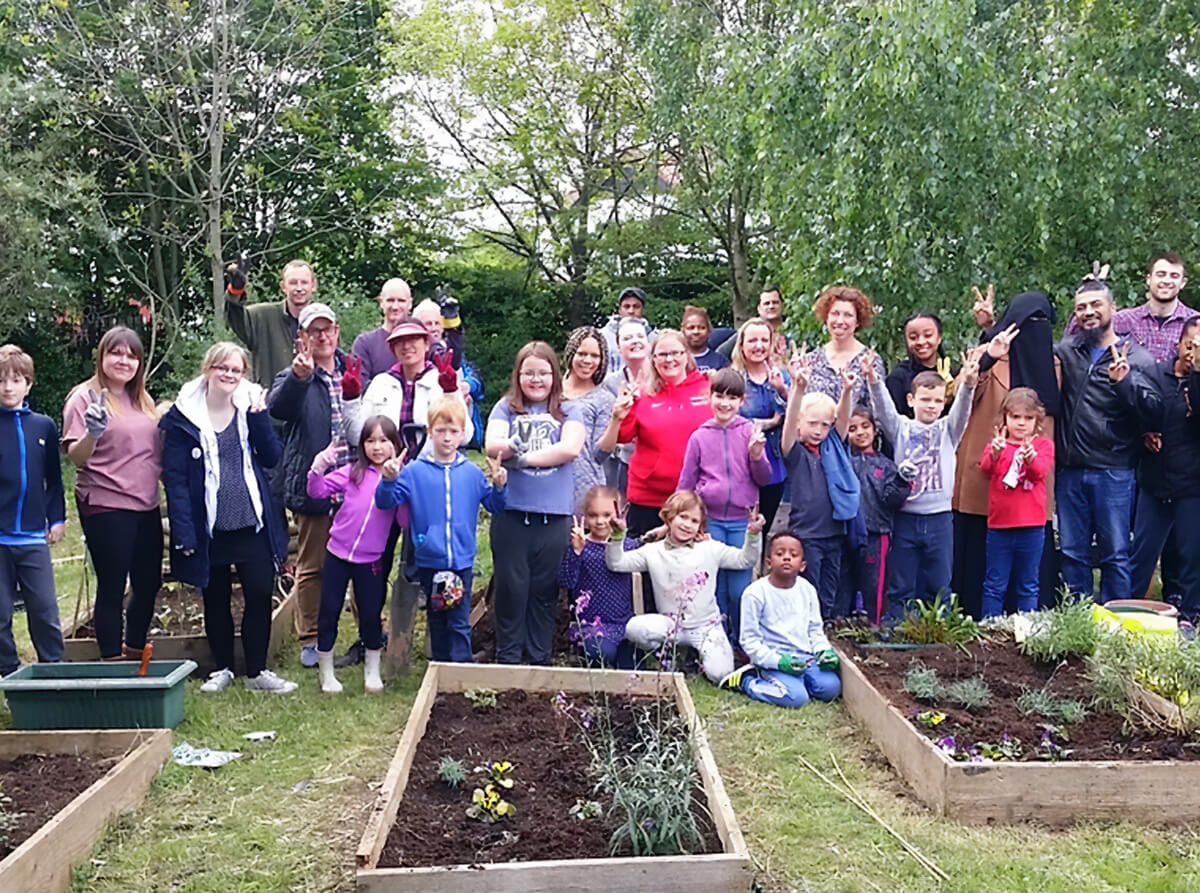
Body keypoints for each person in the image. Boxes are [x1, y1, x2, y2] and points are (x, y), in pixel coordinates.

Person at [160, 342, 296, 693]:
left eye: (236, 370)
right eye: (223, 368)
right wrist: (184, 532)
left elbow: (270, 457)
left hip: (251, 523)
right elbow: (174, 478)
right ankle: (221, 669)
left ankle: (257, 672)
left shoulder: (250, 406)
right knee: (214, 599)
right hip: (211, 528)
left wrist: (260, 417)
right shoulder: (182, 416)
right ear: (208, 369)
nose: (229, 375)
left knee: (259, 593)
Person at [1055, 273, 1162, 603]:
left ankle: (1116, 623)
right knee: (1073, 552)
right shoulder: (1067, 353)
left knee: (1115, 553)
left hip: (1114, 471)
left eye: (1095, 305)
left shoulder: (1138, 358)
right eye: (1081, 307)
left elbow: (1156, 413)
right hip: (1070, 470)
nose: (1088, 312)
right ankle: (1078, 621)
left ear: (1113, 308)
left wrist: (1125, 383)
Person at [376, 400, 507, 666]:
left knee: (459, 620)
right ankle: (439, 669)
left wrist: (501, 487)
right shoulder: (414, 472)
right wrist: (388, 480)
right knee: (437, 618)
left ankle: (459, 673)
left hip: (461, 560)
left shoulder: (471, 473)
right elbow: (385, 502)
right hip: (430, 560)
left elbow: (494, 505)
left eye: (453, 431)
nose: (447, 438)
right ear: (430, 431)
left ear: (462, 434)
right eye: (441, 430)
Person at [953, 289, 1059, 617]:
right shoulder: (989, 354)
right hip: (984, 473)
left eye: (1042, 321)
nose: (1034, 328)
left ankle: (1028, 623)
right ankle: (980, 620)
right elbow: (954, 393)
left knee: (1029, 569)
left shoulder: (1054, 362)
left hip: (1032, 484)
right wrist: (988, 353)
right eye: (1028, 321)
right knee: (986, 569)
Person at [267, 303, 361, 666]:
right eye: (313, 331)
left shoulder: (354, 369)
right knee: (313, 564)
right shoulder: (292, 374)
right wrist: (298, 378)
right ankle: (311, 636)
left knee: (364, 561)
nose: (322, 336)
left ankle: (369, 629)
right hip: (316, 483)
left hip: (355, 481)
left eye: (328, 329)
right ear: (301, 338)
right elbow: (278, 410)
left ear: (337, 331)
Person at [63, 326, 163, 661]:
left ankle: (134, 652)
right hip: (106, 503)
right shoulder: (86, 397)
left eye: (131, 355)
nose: (123, 360)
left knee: (149, 584)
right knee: (112, 584)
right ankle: (111, 660)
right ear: (102, 357)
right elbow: (77, 456)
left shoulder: (141, 398)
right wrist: (93, 432)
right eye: (115, 353)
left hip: (146, 503)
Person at [485, 342, 585, 664]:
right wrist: (508, 449)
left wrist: (522, 458)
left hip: (554, 517)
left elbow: (569, 449)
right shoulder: (505, 407)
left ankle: (539, 658)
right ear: (518, 375)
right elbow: (492, 446)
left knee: (544, 591)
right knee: (511, 588)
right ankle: (508, 657)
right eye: (529, 373)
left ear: (555, 376)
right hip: (512, 514)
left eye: (543, 373)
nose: (536, 379)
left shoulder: (570, 409)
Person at [864, 346, 982, 617]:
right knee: (900, 582)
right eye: (926, 400)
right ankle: (895, 628)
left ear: (943, 403)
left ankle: (939, 630)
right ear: (911, 399)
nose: (931, 406)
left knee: (939, 582)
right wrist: (872, 379)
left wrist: (968, 384)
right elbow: (883, 410)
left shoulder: (948, 430)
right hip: (906, 517)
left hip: (940, 518)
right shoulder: (901, 427)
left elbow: (963, 411)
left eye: (938, 401)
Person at [605, 490, 763, 684]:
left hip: (706, 625)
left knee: (720, 674)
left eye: (694, 521)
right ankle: (667, 655)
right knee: (634, 629)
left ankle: (697, 656)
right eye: (683, 517)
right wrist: (617, 534)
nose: (688, 525)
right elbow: (617, 563)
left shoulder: (710, 548)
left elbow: (745, 560)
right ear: (669, 518)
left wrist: (753, 535)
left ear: (700, 526)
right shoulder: (653, 551)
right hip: (671, 625)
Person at [677, 368, 772, 646]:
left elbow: (764, 478)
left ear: (742, 401)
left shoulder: (749, 432)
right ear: (710, 397)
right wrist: (678, 519)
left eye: (732, 398)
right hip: (711, 522)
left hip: (743, 523)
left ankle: (743, 641)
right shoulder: (699, 437)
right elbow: (686, 482)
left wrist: (756, 456)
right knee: (713, 587)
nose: (725, 403)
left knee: (739, 589)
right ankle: (715, 642)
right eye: (719, 396)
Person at [599, 330, 711, 543]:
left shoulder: (706, 389)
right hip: (648, 497)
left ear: (686, 355)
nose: (669, 360)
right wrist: (620, 414)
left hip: (694, 496)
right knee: (649, 567)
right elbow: (622, 436)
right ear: (653, 360)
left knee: (690, 569)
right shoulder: (642, 394)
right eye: (662, 355)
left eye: (676, 353)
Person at [0, 345, 65, 677]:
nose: (8, 387)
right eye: (1, 380)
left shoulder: (44, 427)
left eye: (16, 379)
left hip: (32, 538)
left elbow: (54, 480)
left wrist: (57, 518)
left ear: (29, 384)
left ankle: (54, 673)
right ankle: (8, 674)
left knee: (44, 610)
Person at [1130, 321, 1200, 625]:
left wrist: (1197, 374)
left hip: (1192, 484)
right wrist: (1143, 433)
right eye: (1190, 345)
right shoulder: (1156, 374)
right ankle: (1127, 609)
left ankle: (1190, 615)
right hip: (1155, 482)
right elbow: (1138, 410)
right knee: (1141, 554)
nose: (1193, 353)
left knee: (1191, 554)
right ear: (1178, 344)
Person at [722, 533, 842, 708]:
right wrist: (777, 661)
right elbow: (749, 640)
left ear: (802, 566)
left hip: (805, 659)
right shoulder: (755, 593)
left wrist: (823, 651)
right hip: (774, 661)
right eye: (780, 553)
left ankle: (799, 681)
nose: (786, 557)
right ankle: (747, 681)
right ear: (768, 562)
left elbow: (815, 629)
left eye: (793, 555)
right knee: (797, 698)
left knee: (831, 688)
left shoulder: (807, 590)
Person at [780, 364, 857, 619]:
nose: (818, 431)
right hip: (807, 534)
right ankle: (806, 632)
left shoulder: (832, 448)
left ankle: (823, 633)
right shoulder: (795, 453)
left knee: (829, 590)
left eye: (825, 425)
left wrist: (847, 391)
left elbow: (844, 420)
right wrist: (798, 389)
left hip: (834, 533)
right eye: (812, 424)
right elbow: (790, 423)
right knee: (808, 588)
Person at [978, 388, 1055, 618]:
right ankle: (990, 630)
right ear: (1005, 418)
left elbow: (1039, 472)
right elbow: (984, 470)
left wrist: (1030, 457)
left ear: (1037, 420)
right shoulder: (996, 444)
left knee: (1028, 584)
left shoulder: (1043, 446)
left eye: (1028, 418)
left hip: (1031, 526)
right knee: (994, 584)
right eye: (1015, 417)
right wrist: (994, 453)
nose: (1021, 423)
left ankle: (1027, 631)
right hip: (999, 527)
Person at [350, 319, 468, 450]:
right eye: (399, 341)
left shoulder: (442, 380)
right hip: (388, 466)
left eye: (413, 339)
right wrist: (350, 399)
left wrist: (451, 393)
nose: (406, 346)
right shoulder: (380, 383)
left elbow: (465, 436)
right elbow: (357, 437)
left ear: (426, 344)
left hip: (432, 466)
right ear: (392, 349)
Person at [1061, 253, 1194, 362]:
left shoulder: (1195, 323)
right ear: (1148, 279)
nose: (1166, 281)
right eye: (1161, 274)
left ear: (1183, 283)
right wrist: (1091, 294)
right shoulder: (1124, 319)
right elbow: (1078, 329)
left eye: (1174, 276)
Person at [559, 486, 637, 668]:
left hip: (625, 622)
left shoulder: (629, 546)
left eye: (607, 515)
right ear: (585, 517)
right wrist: (576, 552)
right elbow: (565, 581)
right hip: (591, 624)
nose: (600, 521)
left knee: (633, 666)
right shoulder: (581, 545)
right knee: (600, 653)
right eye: (593, 515)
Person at [845, 407, 909, 623]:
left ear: (875, 430)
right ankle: (842, 626)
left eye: (865, 426)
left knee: (874, 584)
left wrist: (904, 483)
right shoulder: (843, 460)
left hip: (877, 532)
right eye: (853, 428)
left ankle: (875, 625)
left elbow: (894, 500)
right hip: (845, 532)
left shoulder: (887, 466)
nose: (860, 432)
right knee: (844, 583)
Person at [730, 318, 791, 534]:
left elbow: (794, 414)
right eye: (753, 340)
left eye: (764, 340)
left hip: (775, 461)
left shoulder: (781, 375)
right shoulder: (734, 377)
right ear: (742, 344)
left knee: (766, 527)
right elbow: (729, 420)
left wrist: (782, 390)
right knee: (745, 527)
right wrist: (769, 422)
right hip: (742, 462)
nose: (759, 346)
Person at [224, 259, 316, 388]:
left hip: (313, 401)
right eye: (293, 283)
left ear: (314, 285)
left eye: (304, 282)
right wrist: (236, 290)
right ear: (283, 286)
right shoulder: (262, 316)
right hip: (271, 400)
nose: (299, 288)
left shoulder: (322, 322)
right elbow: (234, 315)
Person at [561, 326, 615, 511]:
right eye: (582, 353)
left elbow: (599, 455)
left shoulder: (604, 399)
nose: (588, 361)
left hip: (584, 489)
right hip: (549, 483)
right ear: (571, 354)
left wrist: (616, 419)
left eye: (595, 356)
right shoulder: (550, 390)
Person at [805, 286, 885, 410]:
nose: (840, 321)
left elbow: (879, 408)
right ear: (826, 317)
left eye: (848, 315)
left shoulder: (870, 361)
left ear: (857, 321)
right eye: (835, 314)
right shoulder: (811, 360)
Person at [601, 317, 652, 493]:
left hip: (662, 459)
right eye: (628, 338)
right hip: (625, 462)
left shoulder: (664, 374)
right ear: (619, 346)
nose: (635, 341)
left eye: (640, 336)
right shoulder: (610, 383)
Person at [884, 313, 960, 418]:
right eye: (913, 337)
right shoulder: (898, 378)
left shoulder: (953, 375)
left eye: (928, 335)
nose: (921, 342)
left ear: (939, 338)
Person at [351, 278, 414, 384]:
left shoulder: (419, 342)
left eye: (401, 301)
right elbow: (360, 385)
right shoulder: (365, 343)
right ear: (381, 303)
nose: (395, 306)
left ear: (410, 303)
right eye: (390, 300)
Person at [717, 286, 793, 359]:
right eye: (766, 303)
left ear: (782, 306)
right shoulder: (748, 331)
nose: (771, 306)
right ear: (759, 308)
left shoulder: (791, 330)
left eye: (775, 302)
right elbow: (720, 355)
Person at [599, 286, 653, 375]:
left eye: (636, 306)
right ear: (619, 309)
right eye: (626, 306)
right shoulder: (602, 337)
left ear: (642, 309)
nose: (631, 311)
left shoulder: (654, 338)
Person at [681, 305, 729, 371]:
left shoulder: (720, 361)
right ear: (683, 331)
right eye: (691, 328)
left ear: (709, 331)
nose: (696, 332)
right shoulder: (676, 360)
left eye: (701, 328)